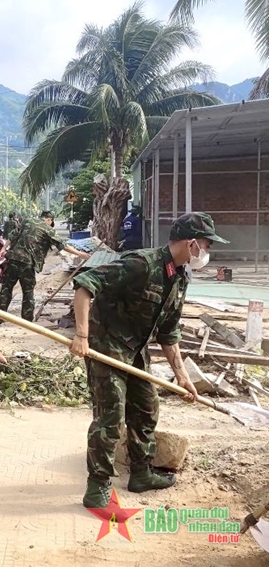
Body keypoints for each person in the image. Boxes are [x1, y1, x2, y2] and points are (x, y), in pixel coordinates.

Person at [70, 212, 227, 509]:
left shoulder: (180, 277)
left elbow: (169, 332)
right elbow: (84, 284)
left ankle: (141, 473)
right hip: (106, 346)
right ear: (191, 244)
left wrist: (182, 376)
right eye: (206, 246)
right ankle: (97, 486)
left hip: (136, 349)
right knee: (110, 416)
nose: (207, 253)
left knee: (146, 408)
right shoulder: (141, 264)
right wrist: (82, 335)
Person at [0, 210, 90, 323]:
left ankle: (0, 316)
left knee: (6, 288)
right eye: (51, 222)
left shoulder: (27, 221)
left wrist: (3, 249)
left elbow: (13, 235)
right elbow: (62, 245)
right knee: (28, 291)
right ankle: (27, 320)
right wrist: (80, 254)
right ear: (49, 219)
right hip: (27, 263)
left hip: (12, 259)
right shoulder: (47, 229)